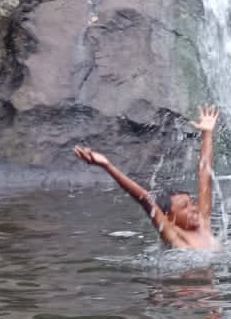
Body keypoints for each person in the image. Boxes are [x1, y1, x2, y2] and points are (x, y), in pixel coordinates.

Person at [73, 105, 220, 251]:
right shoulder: (174, 235)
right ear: (169, 218)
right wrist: (107, 166)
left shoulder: (202, 223)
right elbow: (145, 199)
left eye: (191, 203)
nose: (194, 209)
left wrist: (207, 134)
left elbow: (205, 175)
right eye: (184, 207)